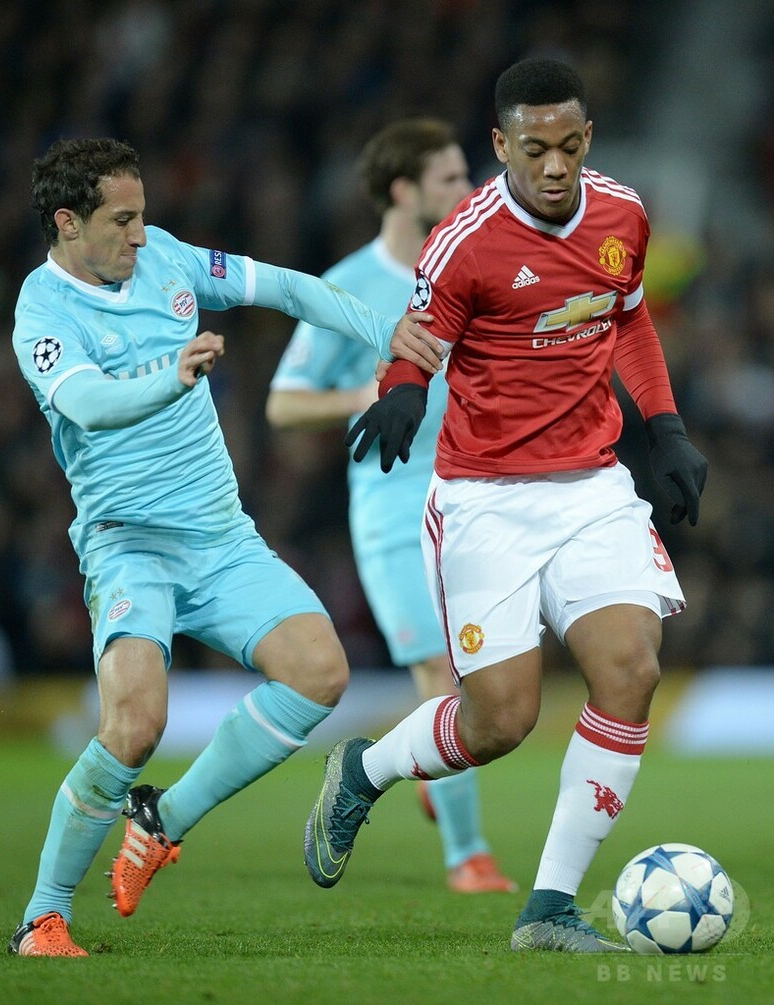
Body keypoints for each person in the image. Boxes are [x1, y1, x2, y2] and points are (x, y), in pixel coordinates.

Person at [303, 58, 708, 953]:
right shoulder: (466, 240)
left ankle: (549, 907)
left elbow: (628, 318)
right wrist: (403, 390)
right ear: (501, 145)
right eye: (534, 149)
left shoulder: (623, 214)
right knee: (501, 721)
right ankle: (364, 771)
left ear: (587, 137)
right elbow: (416, 340)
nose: (554, 165)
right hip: (484, 498)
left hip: (592, 487)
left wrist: (667, 426)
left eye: (568, 145)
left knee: (631, 668)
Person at [7, 136, 444, 957]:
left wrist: (383, 329)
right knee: (134, 725)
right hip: (129, 542)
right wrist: (169, 377)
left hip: (219, 535)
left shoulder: (167, 259)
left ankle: (163, 819)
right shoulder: (44, 314)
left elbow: (284, 287)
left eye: (143, 215)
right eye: (122, 220)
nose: (141, 235)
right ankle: (42, 916)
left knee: (320, 671)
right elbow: (89, 404)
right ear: (67, 223)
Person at [266, 119, 516, 894]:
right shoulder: (348, 285)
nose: (467, 190)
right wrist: (364, 395)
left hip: (476, 499)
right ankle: (468, 854)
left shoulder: (474, 267)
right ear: (404, 191)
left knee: (485, 673)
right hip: (392, 511)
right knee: (440, 670)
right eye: (449, 178)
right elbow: (283, 403)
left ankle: (435, 766)